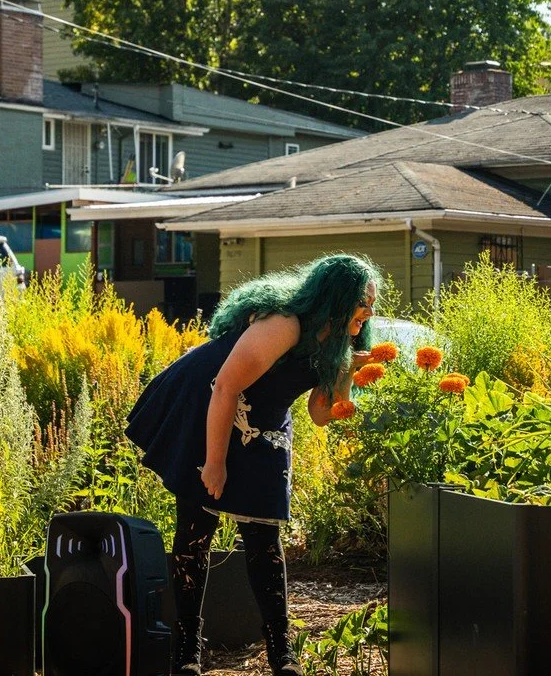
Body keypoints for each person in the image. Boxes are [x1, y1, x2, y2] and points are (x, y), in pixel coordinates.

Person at [125, 253, 384, 676]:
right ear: (336, 298)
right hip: (206, 403)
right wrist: (214, 462)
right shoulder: (284, 325)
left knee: (264, 536)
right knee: (195, 531)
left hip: (262, 422)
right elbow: (225, 387)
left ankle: (283, 655)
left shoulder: (339, 343)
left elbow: (321, 414)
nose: (369, 313)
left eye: (372, 304)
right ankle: (187, 652)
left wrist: (346, 373)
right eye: (363, 301)